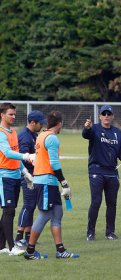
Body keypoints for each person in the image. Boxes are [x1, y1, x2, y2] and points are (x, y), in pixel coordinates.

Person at [24, 111, 79, 260]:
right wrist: (64, 183)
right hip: (46, 182)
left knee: (57, 213)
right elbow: (54, 163)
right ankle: (29, 251)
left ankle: (60, 250)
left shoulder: (41, 135)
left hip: (46, 182)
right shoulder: (52, 138)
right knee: (45, 215)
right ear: (60, 123)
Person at [83, 105, 121, 241]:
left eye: (109, 114)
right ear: (100, 116)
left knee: (112, 203)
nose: (106, 116)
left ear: (112, 116)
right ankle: (90, 233)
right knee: (96, 202)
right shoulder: (94, 129)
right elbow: (85, 135)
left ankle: (110, 232)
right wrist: (87, 127)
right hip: (96, 171)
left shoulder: (117, 132)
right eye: (104, 114)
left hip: (112, 172)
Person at [0, 102, 33, 256]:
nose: (13, 117)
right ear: (2, 115)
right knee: (9, 210)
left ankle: (1, 247)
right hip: (4, 177)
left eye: (14, 114)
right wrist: (26, 156)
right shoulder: (0, 132)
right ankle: (12, 247)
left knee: (9, 212)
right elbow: (7, 153)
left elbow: (16, 154)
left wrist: (25, 171)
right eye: (10, 114)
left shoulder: (13, 132)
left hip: (15, 175)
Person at [15, 111, 46, 248]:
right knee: (28, 205)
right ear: (32, 122)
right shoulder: (24, 136)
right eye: (40, 123)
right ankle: (18, 236)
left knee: (32, 205)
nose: (42, 125)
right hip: (26, 175)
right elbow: (22, 157)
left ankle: (28, 236)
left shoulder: (33, 135)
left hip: (35, 175)